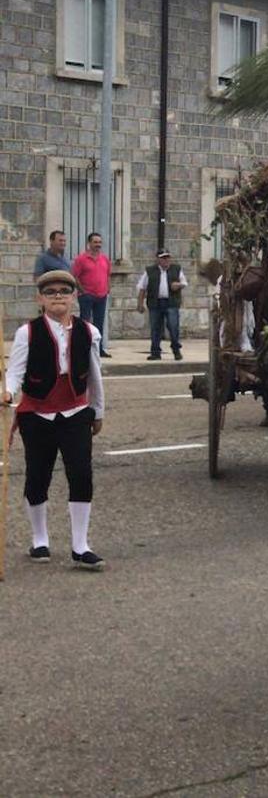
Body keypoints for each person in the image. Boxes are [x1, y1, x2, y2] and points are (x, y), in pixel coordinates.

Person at [2, 270, 106, 570]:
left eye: (64, 291)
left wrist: (98, 410)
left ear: (74, 296)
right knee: (38, 474)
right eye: (50, 292)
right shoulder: (28, 332)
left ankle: (80, 546)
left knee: (81, 474)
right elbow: (15, 371)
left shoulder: (89, 331)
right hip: (37, 414)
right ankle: (39, 539)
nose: (57, 296)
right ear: (40, 299)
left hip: (75, 411)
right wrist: (8, 392)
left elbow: (95, 376)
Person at [135, 249, 186, 360]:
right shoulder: (150, 271)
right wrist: (140, 303)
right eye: (163, 257)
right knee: (155, 328)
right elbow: (142, 288)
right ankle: (155, 352)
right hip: (155, 303)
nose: (166, 259)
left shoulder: (176, 269)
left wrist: (178, 285)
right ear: (158, 259)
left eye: (167, 257)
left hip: (171, 302)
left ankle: (176, 349)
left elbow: (184, 283)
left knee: (173, 327)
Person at [70, 232, 113, 358]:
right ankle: (84, 349)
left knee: (99, 324)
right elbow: (75, 276)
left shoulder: (105, 258)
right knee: (85, 323)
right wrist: (82, 290)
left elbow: (108, 274)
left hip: (102, 295)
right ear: (89, 243)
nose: (98, 245)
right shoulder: (81, 259)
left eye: (99, 242)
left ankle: (99, 349)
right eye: (95, 242)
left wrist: (108, 288)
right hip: (87, 295)